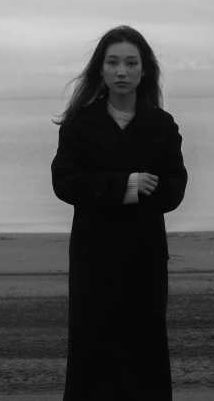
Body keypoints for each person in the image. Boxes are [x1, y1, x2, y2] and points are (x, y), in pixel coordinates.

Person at [51, 24, 188, 401]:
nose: (122, 71)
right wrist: (125, 186)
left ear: (145, 70)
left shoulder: (161, 125)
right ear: (101, 70)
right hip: (94, 257)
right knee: (92, 350)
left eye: (131, 62)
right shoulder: (80, 124)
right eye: (113, 62)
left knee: (145, 350)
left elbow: (175, 188)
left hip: (144, 257)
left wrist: (128, 191)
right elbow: (64, 183)